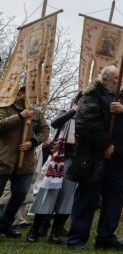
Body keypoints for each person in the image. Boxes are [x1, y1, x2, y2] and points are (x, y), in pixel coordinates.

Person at [67, 66, 123, 251]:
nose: (120, 81)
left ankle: (106, 237)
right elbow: (85, 122)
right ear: (104, 79)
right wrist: (105, 143)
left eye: (120, 77)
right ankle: (77, 238)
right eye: (115, 78)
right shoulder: (91, 95)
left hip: (119, 158)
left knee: (114, 198)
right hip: (95, 156)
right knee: (87, 197)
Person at [27, 94, 80, 243]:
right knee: (47, 194)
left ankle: (56, 231)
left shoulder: (89, 118)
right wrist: (73, 111)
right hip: (58, 158)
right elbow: (55, 123)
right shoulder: (66, 112)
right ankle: (35, 229)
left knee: (67, 197)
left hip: (76, 160)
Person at [0, 86, 49, 238]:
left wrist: (33, 142)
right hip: (4, 158)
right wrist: (20, 116)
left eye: (35, 96)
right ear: (20, 94)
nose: (32, 99)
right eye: (29, 95)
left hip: (25, 162)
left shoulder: (37, 113)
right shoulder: (5, 106)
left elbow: (45, 130)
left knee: (21, 193)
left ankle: (4, 224)